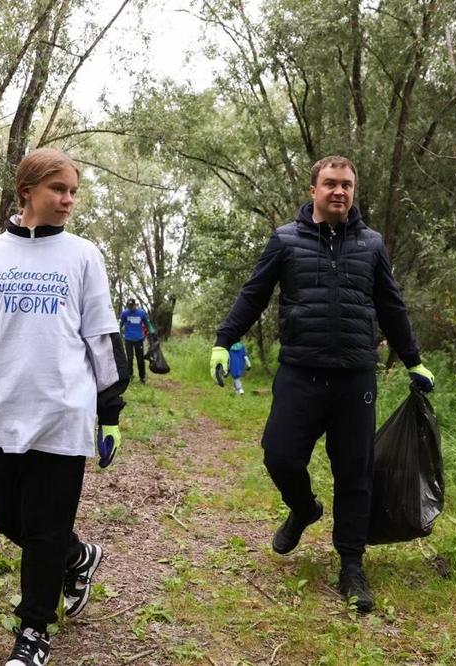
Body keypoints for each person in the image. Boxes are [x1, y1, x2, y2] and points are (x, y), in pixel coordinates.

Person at [209, 156, 435, 614]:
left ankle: (352, 565)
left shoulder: (371, 245)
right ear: (312, 188)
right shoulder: (285, 241)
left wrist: (414, 360)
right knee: (279, 454)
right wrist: (223, 340)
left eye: (347, 185)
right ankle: (304, 508)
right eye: (330, 183)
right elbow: (254, 293)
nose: (339, 191)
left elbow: (392, 306)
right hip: (300, 371)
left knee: (355, 472)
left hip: (355, 377)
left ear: (354, 192)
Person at [0, 148, 129, 666]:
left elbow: (102, 338)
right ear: (27, 191)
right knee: (5, 513)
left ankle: (33, 633)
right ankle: (77, 556)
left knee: (45, 525)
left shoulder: (83, 256)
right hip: (4, 410)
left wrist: (108, 413)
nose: (68, 200)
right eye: (58, 190)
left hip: (64, 411)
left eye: (73, 191)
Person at [119, 298, 155, 383]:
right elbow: (120, 323)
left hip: (139, 339)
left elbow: (147, 323)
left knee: (140, 359)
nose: (130, 308)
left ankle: (142, 377)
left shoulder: (141, 313)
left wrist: (152, 331)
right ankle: (130, 376)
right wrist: (117, 333)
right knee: (130, 359)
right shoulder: (125, 313)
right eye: (129, 306)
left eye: (132, 306)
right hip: (128, 339)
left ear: (135, 305)